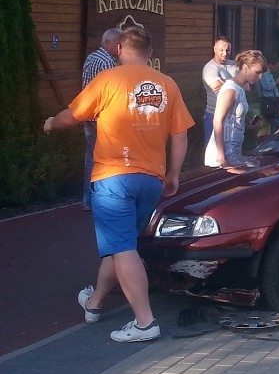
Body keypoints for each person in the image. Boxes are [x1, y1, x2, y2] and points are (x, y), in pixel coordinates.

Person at [43, 26, 194, 343]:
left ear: (120, 48)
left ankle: (145, 322)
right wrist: (175, 174)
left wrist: (51, 123)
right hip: (151, 179)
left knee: (123, 248)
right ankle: (95, 303)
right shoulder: (167, 85)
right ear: (149, 53)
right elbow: (180, 135)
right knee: (122, 244)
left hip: (114, 176)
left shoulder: (109, 79)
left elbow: (74, 116)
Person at [81, 28, 121, 210]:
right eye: (118, 44)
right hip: (103, 117)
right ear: (108, 43)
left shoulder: (91, 58)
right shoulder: (108, 63)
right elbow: (113, 92)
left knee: (90, 158)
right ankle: (101, 200)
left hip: (89, 114)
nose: (120, 48)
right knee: (107, 160)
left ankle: (88, 199)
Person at [205, 49, 266, 168]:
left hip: (233, 151)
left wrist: (247, 124)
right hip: (222, 155)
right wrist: (221, 157)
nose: (260, 77)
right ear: (245, 67)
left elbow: (232, 119)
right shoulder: (230, 90)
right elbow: (218, 120)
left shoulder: (240, 88)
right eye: (257, 72)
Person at [202, 37, 237, 146]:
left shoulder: (234, 65)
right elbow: (217, 88)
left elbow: (247, 87)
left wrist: (225, 82)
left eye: (227, 50)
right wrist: (238, 82)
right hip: (214, 115)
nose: (225, 53)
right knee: (215, 154)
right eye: (221, 50)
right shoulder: (210, 68)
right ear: (214, 49)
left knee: (233, 151)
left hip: (234, 116)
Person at [257, 54, 279, 132]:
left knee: (274, 127)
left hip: (274, 102)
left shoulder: (270, 74)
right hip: (268, 103)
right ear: (270, 65)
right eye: (276, 67)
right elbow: (267, 87)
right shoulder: (264, 75)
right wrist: (276, 82)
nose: (277, 69)